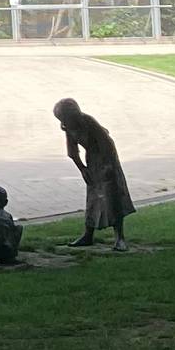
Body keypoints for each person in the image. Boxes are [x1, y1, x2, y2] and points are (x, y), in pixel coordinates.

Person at [53, 97, 135, 251]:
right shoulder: (69, 128)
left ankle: (119, 238)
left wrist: (108, 166)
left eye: (66, 118)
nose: (64, 122)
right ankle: (88, 235)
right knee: (92, 198)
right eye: (62, 119)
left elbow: (107, 144)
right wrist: (82, 169)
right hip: (92, 160)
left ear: (74, 114)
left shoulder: (88, 122)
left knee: (112, 197)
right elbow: (72, 152)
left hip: (107, 159)